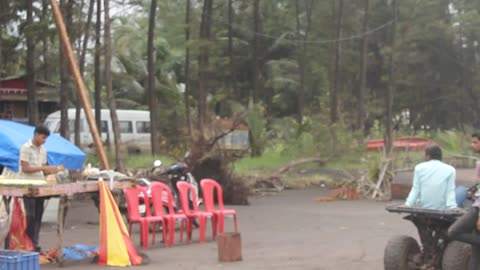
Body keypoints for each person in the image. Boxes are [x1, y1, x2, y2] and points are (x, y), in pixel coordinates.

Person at [19, 125, 64, 251]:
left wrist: (53, 170)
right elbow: (25, 168)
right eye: (43, 137)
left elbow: (44, 169)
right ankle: (27, 243)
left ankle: (34, 243)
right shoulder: (26, 148)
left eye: (46, 138)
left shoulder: (43, 150)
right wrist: (44, 168)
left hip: (40, 186)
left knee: (38, 215)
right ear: (36, 134)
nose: (44, 140)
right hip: (27, 186)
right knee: (30, 216)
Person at [448, 132, 480, 270]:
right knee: (476, 252)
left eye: (475, 142)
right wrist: (473, 191)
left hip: (478, 209)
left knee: (453, 232)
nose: (472, 145)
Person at [403, 145, 466, 210]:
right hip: (442, 208)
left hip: (423, 207)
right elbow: (450, 191)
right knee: (462, 190)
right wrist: (452, 207)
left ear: (428, 156)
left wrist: (408, 204)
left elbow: (416, 188)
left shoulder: (419, 168)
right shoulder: (450, 170)